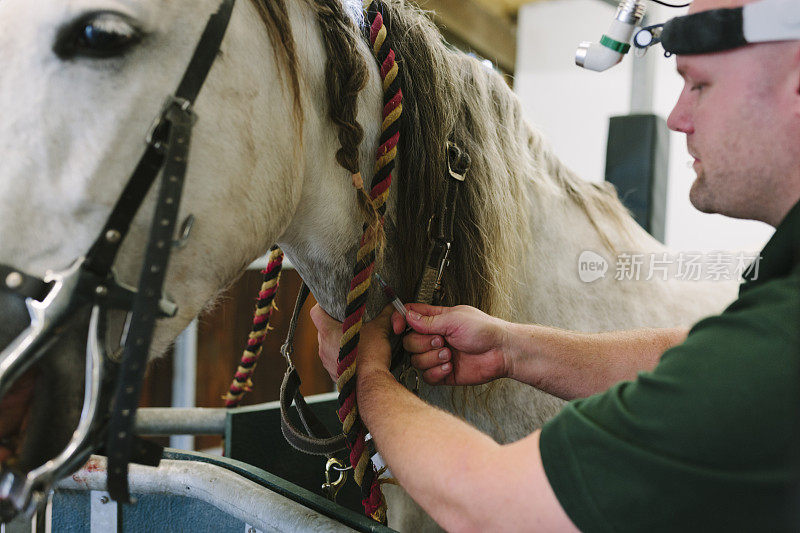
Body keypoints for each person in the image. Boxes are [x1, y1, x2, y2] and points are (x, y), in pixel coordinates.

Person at [311, 0, 800, 529]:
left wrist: (368, 377)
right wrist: (510, 348)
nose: (678, 118)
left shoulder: (782, 342)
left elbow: (495, 506)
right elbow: (701, 356)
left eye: (699, 84)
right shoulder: (777, 305)